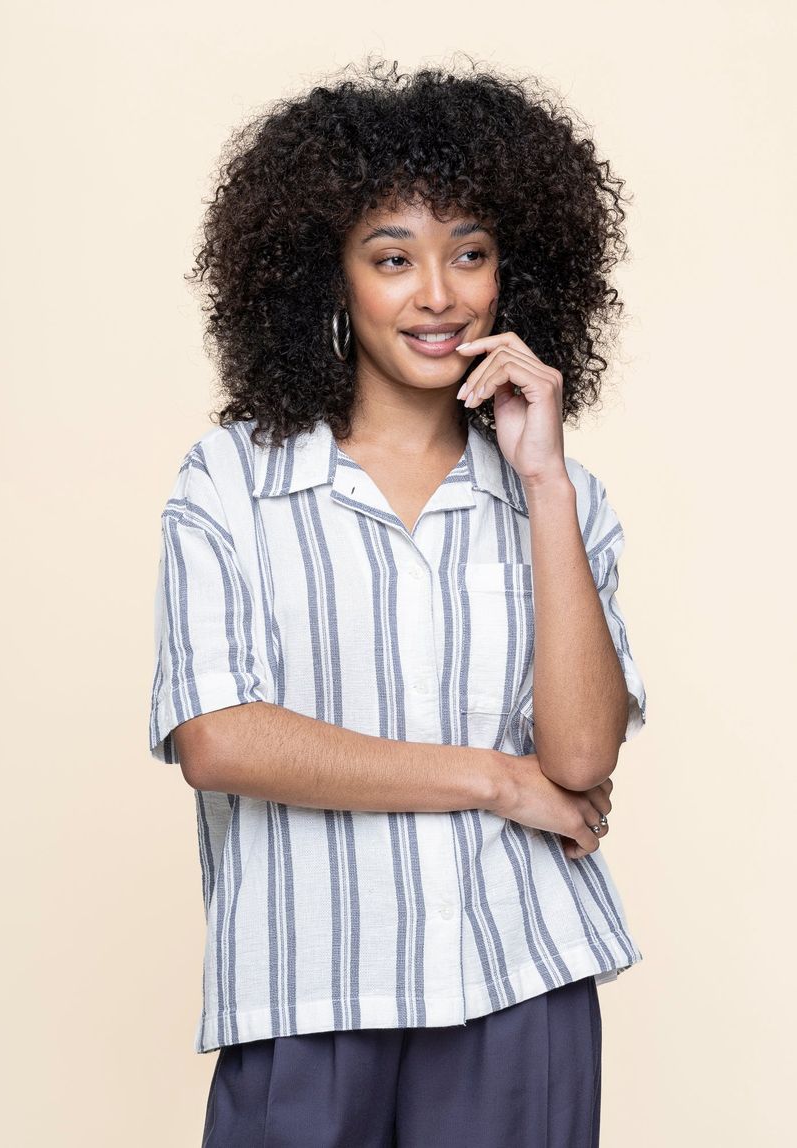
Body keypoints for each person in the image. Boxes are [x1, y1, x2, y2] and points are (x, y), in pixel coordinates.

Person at [148, 56, 648, 1148]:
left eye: (469, 252)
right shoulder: (231, 481)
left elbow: (578, 761)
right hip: (307, 990)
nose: (438, 293)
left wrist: (546, 483)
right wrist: (492, 779)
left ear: (511, 271)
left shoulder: (560, 496)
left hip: (521, 979)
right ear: (327, 276)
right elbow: (219, 736)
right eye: (392, 258)